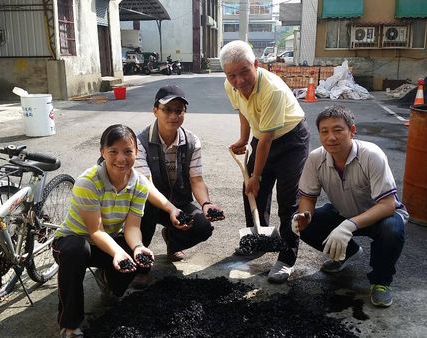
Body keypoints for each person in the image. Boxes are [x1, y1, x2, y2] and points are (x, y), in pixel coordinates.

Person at [52, 124, 178, 338]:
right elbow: (95, 231)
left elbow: (132, 226)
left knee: (132, 262)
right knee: (76, 249)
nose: (121, 159)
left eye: (128, 151)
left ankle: (108, 281)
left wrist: (137, 248)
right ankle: (70, 324)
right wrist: (118, 252)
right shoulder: (88, 182)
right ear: (102, 152)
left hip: (106, 241)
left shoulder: (139, 183)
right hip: (74, 241)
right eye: (113, 152)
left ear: (137, 153)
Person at [290, 105, 407, 307]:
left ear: (352, 131)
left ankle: (381, 281)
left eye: (338, 130)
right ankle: (348, 252)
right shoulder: (316, 158)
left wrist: (349, 226)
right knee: (304, 226)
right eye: (324, 131)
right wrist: (304, 215)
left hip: (379, 216)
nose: (331, 137)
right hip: (342, 212)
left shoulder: (372, 155)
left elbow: (387, 205)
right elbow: (307, 197)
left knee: (392, 230)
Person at [218, 40, 310, 282]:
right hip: (263, 137)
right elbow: (243, 109)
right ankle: (260, 240)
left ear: (256, 65)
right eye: (231, 75)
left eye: (244, 72)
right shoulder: (231, 86)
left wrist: (256, 176)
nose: (238, 80)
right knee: (251, 193)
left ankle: (287, 257)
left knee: (288, 199)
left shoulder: (273, 89)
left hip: (291, 140)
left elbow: (268, 139)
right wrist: (243, 138)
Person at [135, 85, 224, 265]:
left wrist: (206, 204)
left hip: (180, 202)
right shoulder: (139, 142)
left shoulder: (192, 142)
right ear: (155, 111)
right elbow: (147, 185)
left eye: (179, 110)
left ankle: (172, 241)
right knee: (146, 209)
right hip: (150, 202)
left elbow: (196, 180)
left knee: (203, 227)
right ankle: (140, 261)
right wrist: (171, 210)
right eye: (167, 110)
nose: (173, 116)